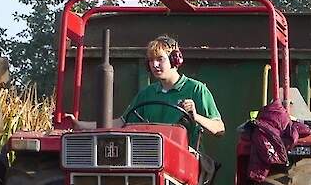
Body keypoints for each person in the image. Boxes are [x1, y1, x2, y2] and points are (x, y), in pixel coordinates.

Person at [68, 35, 224, 147]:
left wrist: (195, 116)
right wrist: (80, 125)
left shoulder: (196, 89)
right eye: (150, 60)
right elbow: (122, 123)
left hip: (184, 163)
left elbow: (219, 129)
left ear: (175, 60)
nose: (154, 65)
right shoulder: (147, 94)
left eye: (160, 59)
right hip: (149, 158)